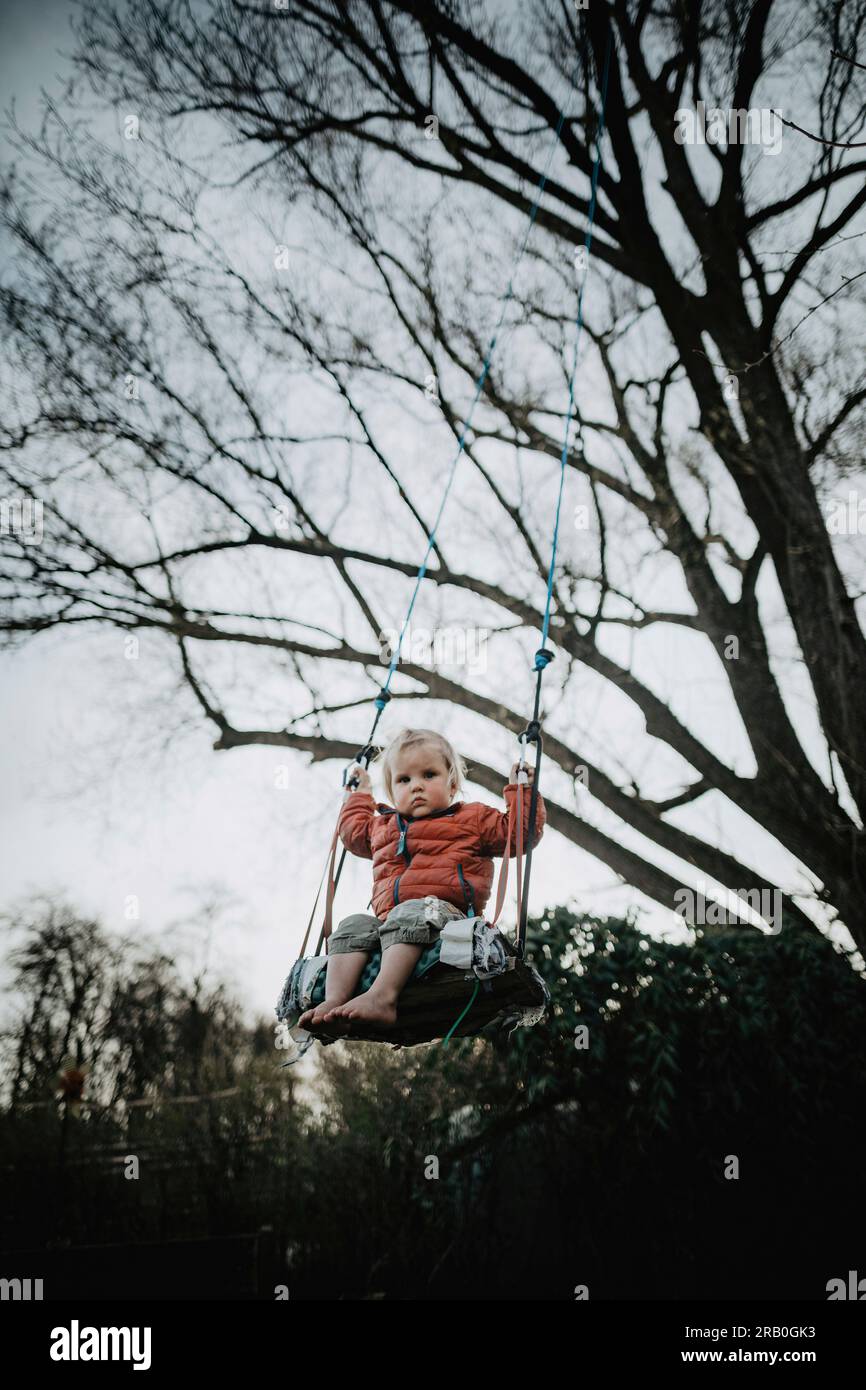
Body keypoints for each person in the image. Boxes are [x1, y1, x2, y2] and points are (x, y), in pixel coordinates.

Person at [298, 726, 546, 1031]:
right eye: (404, 779)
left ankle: (382, 997)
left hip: (448, 920)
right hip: (391, 925)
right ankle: (335, 1000)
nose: (417, 786)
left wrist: (522, 792)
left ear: (452, 784)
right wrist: (360, 795)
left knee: (412, 911)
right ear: (392, 791)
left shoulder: (473, 820)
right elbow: (352, 834)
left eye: (429, 775)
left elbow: (519, 834)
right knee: (354, 925)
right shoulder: (383, 827)